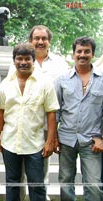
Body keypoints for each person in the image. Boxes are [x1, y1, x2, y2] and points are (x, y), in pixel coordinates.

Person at [7, 25, 69, 201]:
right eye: (37, 38)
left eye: (44, 38)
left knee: (40, 171)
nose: (40, 42)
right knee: (17, 174)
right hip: (21, 126)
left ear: (49, 41)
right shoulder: (20, 63)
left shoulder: (60, 64)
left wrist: (53, 133)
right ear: (31, 40)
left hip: (46, 125)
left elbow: (64, 96)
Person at [0, 43, 59, 201]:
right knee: (12, 183)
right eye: (19, 58)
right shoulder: (5, 85)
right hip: (10, 142)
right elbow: (1, 113)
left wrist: (50, 141)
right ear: (14, 61)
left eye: (27, 59)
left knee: (37, 185)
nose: (23, 62)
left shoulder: (45, 83)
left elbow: (51, 113)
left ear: (34, 60)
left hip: (35, 144)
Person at [54, 36, 103, 201]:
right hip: (66, 139)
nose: (83, 54)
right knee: (65, 181)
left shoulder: (101, 80)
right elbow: (55, 111)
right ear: (73, 54)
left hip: (92, 141)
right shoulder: (62, 80)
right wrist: (53, 138)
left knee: (94, 185)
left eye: (87, 51)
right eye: (79, 51)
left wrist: (101, 138)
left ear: (93, 54)